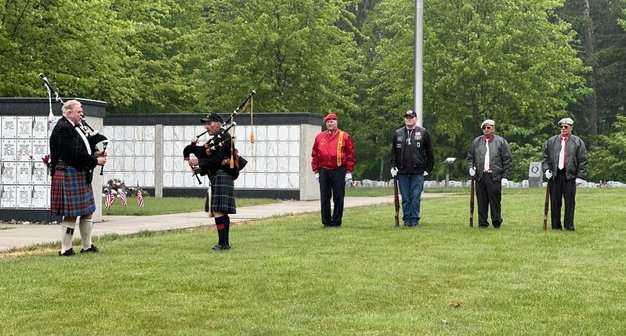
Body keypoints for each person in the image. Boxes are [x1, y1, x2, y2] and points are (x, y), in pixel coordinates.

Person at [49, 100, 107, 256]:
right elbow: (73, 155)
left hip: (78, 171)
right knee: (71, 214)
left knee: (87, 211)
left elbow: (81, 149)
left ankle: (87, 246)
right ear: (68, 112)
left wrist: (95, 154)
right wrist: (95, 161)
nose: (82, 114)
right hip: (69, 172)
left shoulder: (75, 127)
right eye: (78, 111)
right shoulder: (63, 128)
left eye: (81, 111)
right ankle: (66, 249)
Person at [188, 113, 236, 250]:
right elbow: (213, 161)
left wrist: (199, 162)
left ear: (219, 124)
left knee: (219, 211)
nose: (206, 126)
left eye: (209, 123)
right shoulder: (217, 138)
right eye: (206, 124)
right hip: (218, 175)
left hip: (222, 176)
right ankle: (224, 243)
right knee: (220, 211)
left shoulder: (224, 137)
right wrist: (200, 169)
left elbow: (217, 159)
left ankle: (223, 243)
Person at [390, 110, 434, 227]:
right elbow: (393, 152)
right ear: (404, 119)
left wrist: (428, 169)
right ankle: (406, 219)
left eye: (411, 117)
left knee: (415, 197)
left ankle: (414, 219)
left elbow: (430, 153)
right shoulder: (398, 133)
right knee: (405, 197)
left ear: (416, 118)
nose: (409, 119)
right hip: (402, 171)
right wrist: (393, 167)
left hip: (418, 171)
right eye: (407, 117)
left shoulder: (423, 133)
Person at [542, 117, 587, 231]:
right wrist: (546, 170)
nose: (563, 128)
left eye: (566, 127)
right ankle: (556, 226)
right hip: (555, 176)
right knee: (555, 202)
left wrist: (580, 177)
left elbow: (583, 160)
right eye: (561, 126)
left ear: (571, 128)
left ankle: (569, 225)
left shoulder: (577, 142)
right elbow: (545, 158)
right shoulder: (551, 141)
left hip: (570, 176)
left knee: (569, 202)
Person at [311, 112, 355, 228]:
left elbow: (350, 154)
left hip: (339, 170)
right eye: (328, 122)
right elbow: (315, 154)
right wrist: (316, 171)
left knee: (338, 196)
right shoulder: (319, 137)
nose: (330, 123)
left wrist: (349, 171)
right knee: (325, 197)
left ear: (336, 122)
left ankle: (336, 221)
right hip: (324, 170)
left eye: (332, 121)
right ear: (326, 123)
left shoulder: (344, 136)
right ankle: (326, 222)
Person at [467, 119, 512, 228]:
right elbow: (470, 157)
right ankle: (482, 223)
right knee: (481, 201)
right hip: (480, 176)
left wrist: (505, 176)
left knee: (495, 201)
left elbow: (507, 159)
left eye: (489, 127)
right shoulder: (476, 142)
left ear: (493, 128)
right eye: (484, 128)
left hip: (495, 176)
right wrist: (470, 168)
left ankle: (496, 221)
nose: (486, 129)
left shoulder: (501, 142)